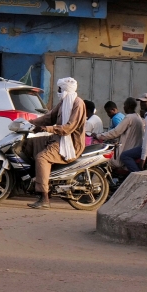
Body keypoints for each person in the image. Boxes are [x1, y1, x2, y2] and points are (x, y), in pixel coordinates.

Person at [21, 77, 86, 210]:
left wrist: (46, 129)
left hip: (69, 144)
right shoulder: (64, 102)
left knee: (42, 158)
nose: (58, 91)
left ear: (65, 90)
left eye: (59, 89)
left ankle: (44, 197)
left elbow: (68, 128)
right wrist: (28, 124)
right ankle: (33, 180)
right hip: (57, 138)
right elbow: (49, 117)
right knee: (28, 143)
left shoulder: (77, 104)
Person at [96, 97, 143, 173]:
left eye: (124, 105)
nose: (123, 107)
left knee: (105, 161)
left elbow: (115, 132)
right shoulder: (137, 116)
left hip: (128, 148)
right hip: (135, 147)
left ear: (127, 106)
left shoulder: (128, 118)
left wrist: (99, 136)